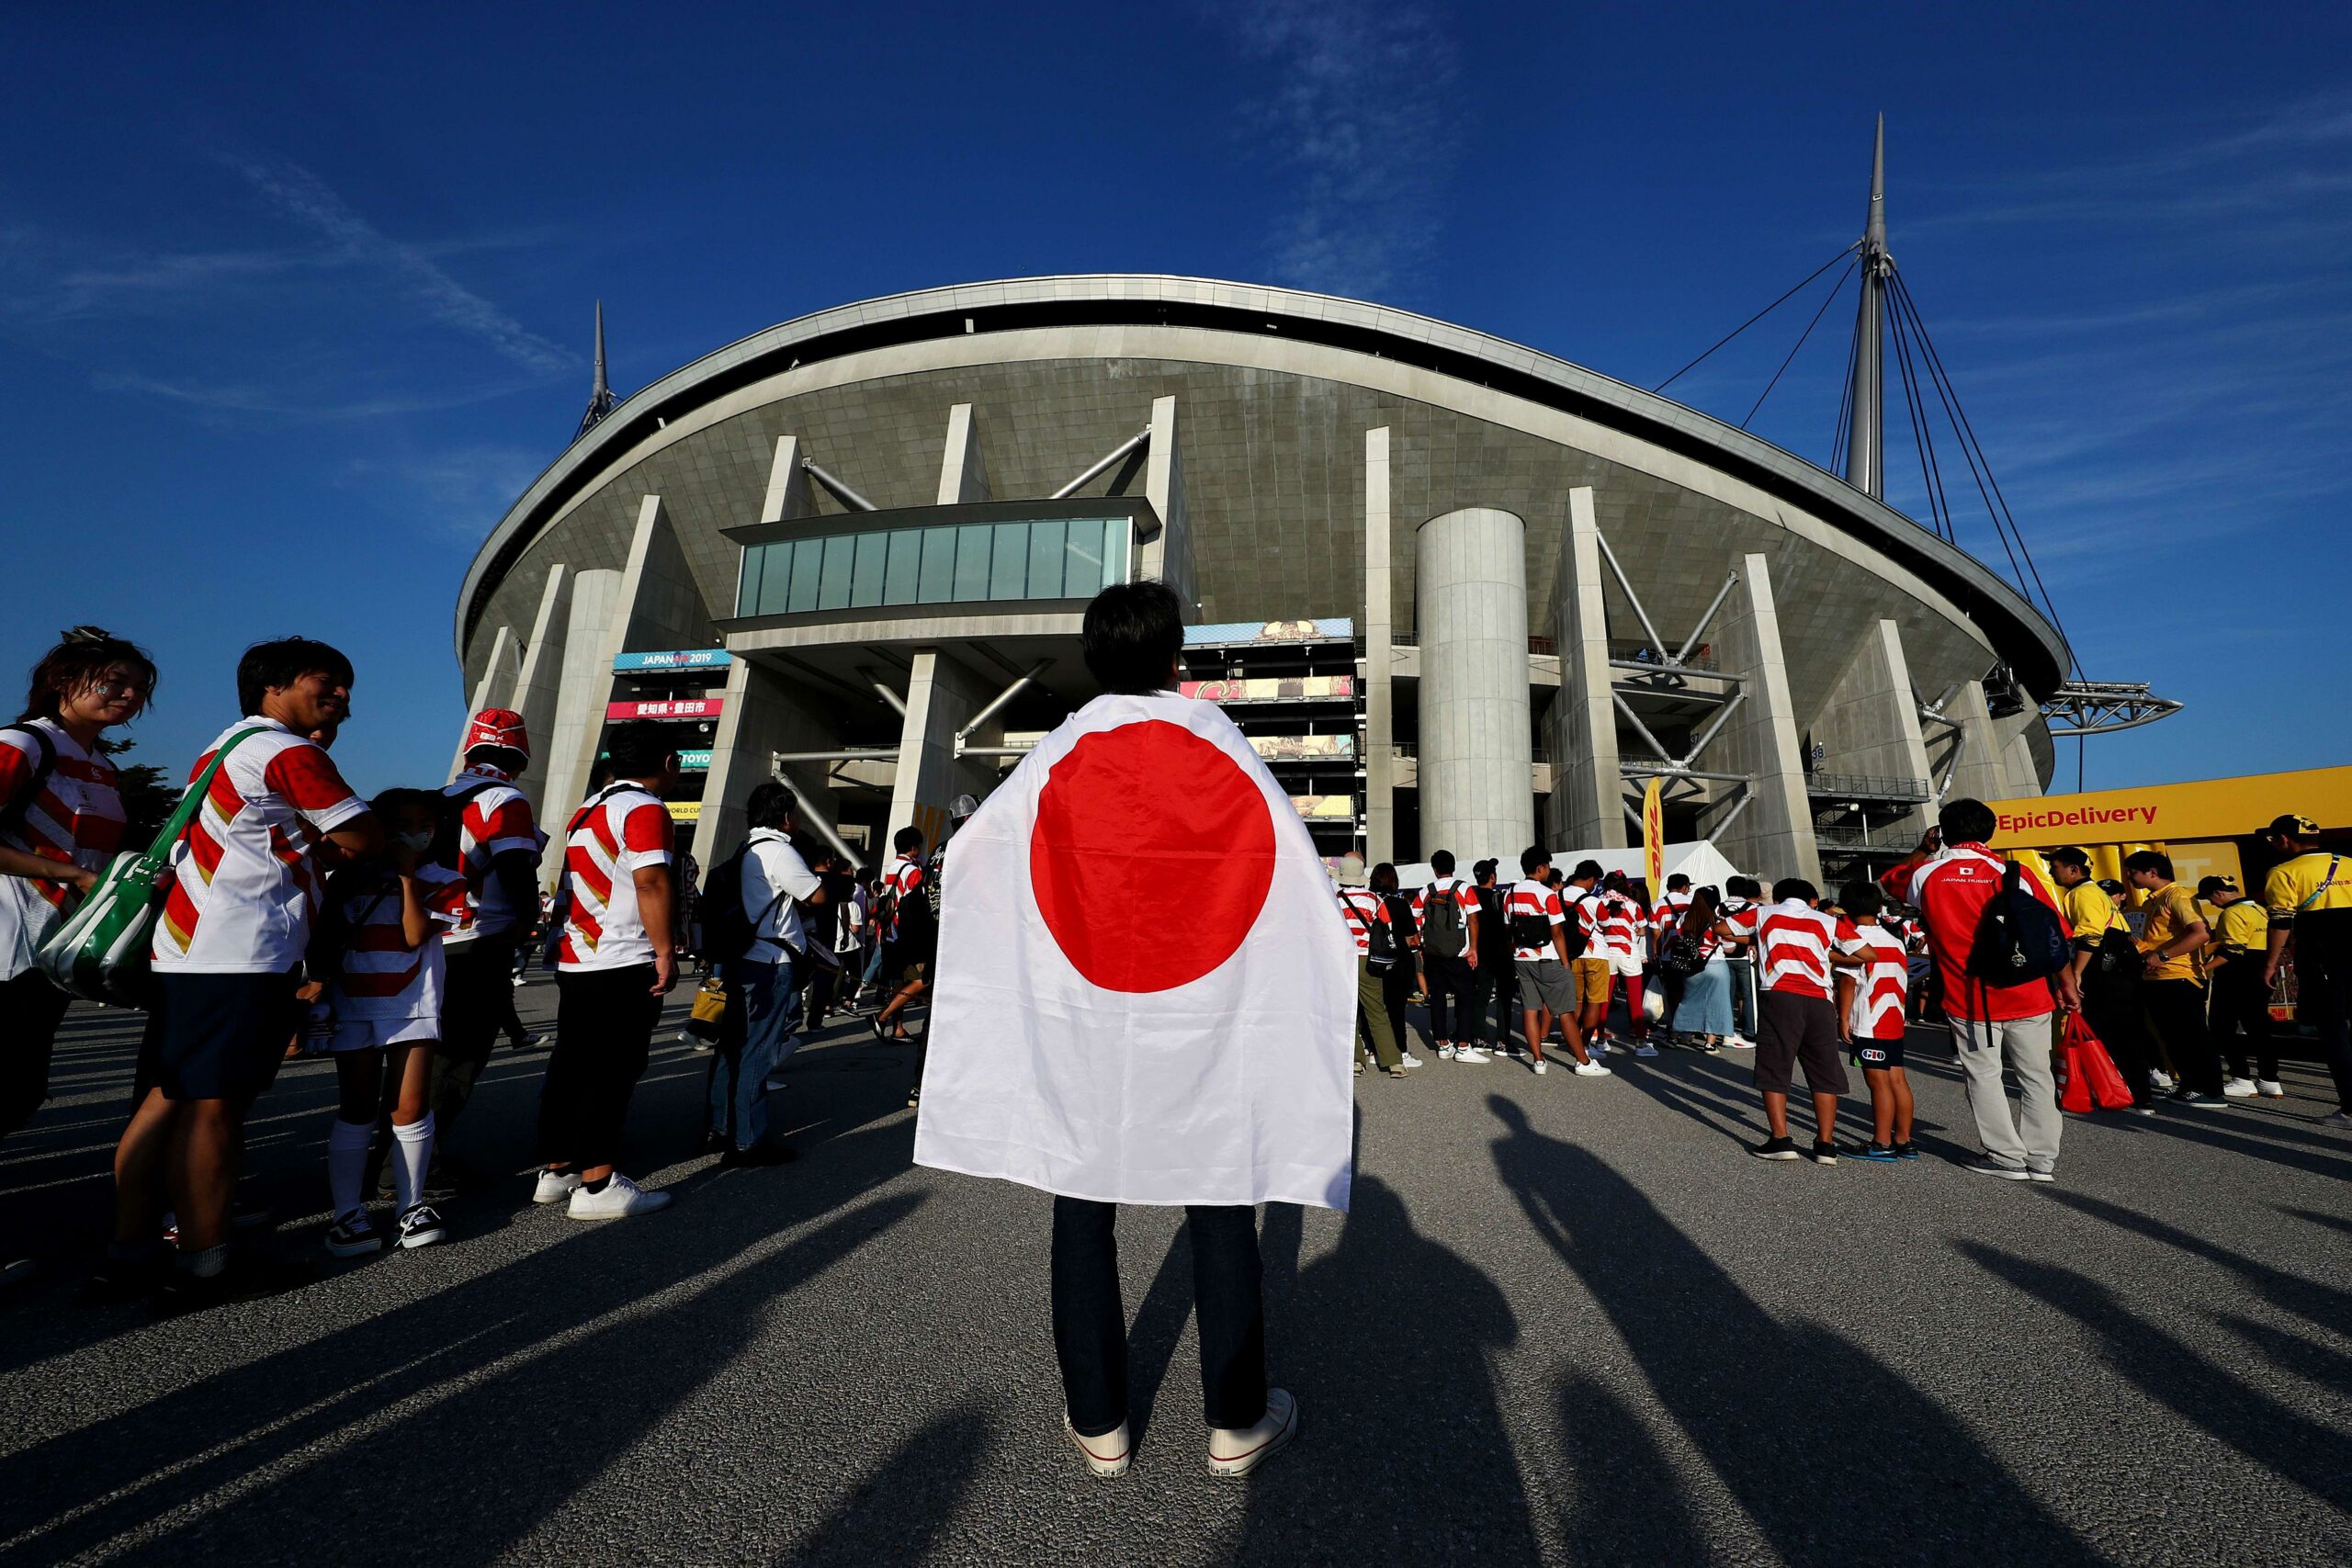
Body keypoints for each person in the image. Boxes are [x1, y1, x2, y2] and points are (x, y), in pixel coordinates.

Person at [913, 581, 1341, 1479]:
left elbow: (979, 859)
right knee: (1221, 1195)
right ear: (1174, 655)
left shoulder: (1058, 753)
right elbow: (1295, 881)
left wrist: (1018, 975)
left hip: (1086, 1015)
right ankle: (1233, 1420)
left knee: (1082, 1200)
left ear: (1091, 656)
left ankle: (1100, 1421)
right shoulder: (1221, 744)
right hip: (1203, 1014)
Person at [83, 637, 382, 1311]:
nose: (341, 697)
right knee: (214, 1108)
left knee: (168, 1098)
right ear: (273, 686)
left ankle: (129, 1253)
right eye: (327, 682)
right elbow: (364, 833)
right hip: (242, 951)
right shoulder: (287, 751)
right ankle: (206, 1262)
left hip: (189, 948)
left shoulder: (222, 747)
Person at [1, 628, 153, 1140]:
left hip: (58, 947)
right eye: (114, 682)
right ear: (63, 680)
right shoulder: (22, 743)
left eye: (138, 687)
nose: (129, 696)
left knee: (20, 1088)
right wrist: (72, 874)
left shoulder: (103, 768)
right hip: (8, 943)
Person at [534, 720, 680, 1219]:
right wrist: (665, 949)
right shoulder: (643, 807)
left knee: (571, 1063)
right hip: (622, 956)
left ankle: (559, 1170)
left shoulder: (588, 808)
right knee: (612, 1069)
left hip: (578, 956)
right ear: (668, 762)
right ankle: (598, 1187)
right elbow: (652, 882)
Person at [1893, 800, 2076, 1182]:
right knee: (2037, 1076)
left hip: (1969, 995)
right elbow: (2054, 932)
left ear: (1942, 832)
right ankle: (2041, 1160)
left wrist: (1926, 848)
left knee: (1984, 1075)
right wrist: (2067, 982)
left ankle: (2006, 1156)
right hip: (2027, 990)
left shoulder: (1926, 873)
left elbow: (1893, 880)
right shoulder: (2017, 872)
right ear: (1991, 832)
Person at [319, 789, 465, 1255]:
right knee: (357, 1106)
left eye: (426, 823)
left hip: (413, 1003)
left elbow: (414, 934)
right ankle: (347, 1214)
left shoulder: (445, 879)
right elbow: (324, 936)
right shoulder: (345, 879)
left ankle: (411, 1206)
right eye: (403, 822)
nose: (417, 831)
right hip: (354, 1002)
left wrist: (406, 877)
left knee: (411, 1105)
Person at [430, 709, 546, 1151]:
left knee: (426, 1053)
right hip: (478, 941)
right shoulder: (506, 800)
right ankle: (412, 1167)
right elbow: (516, 866)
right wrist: (526, 922)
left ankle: (393, 1155)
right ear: (520, 759)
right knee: (457, 1060)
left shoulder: (441, 796)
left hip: (432, 938)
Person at [707, 781, 822, 1165]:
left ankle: (721, 1127)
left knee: (731, 1048)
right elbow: (815, 895)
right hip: (770, 963)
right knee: (757, 1051)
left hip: (743, 957)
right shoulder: (779, 851)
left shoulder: (746, 849)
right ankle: (748, 1141)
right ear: (787, 817)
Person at [1718, 877, 1857, 1163]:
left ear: (1777, 898)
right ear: (1811, 900)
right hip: (1820, 999)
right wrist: (1822, 951)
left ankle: (1780, 1139)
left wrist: (1761, 938)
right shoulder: (1826, 921)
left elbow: (1721, 929)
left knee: (1775, 1066)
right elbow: (1866, 953)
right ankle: (1826, 1144)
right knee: (1824, 1072)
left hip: (1780, 995)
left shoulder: (1763, 913)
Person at [2046, 846, 2158, 1114]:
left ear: (2074, 870)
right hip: (2120, 965)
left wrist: (2076, 974)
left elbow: (2090, 936)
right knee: (2123, 1031)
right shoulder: (2096, 893)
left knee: (2108, 1032)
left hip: (2105, 967)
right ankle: (2131, 1093)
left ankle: (2123, 1093)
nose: (2051, 871)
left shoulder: (2081, 893)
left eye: (2056, 866)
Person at [2258, 814, 2351, 1128]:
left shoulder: (2284, 872)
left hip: (2324, 957)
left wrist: (2271, 964)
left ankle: (2350, 1109)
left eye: (2273, 839)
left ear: (2285, 839)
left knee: (2336, 1031)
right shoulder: (2348, 862)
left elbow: (2281, 921)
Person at [2124, 850, 2223, 1105]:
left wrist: (2164, 956)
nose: (2130, 878)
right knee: (2172, 1038)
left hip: (2181, 977)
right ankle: (2189, 1085)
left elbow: (2200, 934)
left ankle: (2213, 1091)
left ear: (2152, 873)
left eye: (2133, 872)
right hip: (2156, 979)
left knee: (2194, 1036)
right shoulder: (2150, 901)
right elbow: (2158, 939)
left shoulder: (2177, 895)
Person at [1834, 880, 1917, 1161]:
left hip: (1869, 1019)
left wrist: (1842, 1018)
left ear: (1846, 906)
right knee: (1898, 1080)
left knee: (1878, 1083)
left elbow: (1847, 981)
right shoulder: (1894, 938)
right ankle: (1904, 1140)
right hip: (1894, 1016)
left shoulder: (1853, 937)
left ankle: (1881, 1143)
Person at [1509, 847, 1609, 1078]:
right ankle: (1582, 1062)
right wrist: (1565, 962)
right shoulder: (1547, 895)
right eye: (1548, 866)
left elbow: (1508, 930)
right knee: (1565, 1011)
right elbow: (1557, 932)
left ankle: (1538, 1060)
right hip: (1548, 958)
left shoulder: (1510, 894)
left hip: (1522, 958)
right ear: (1540, 868)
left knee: (1530, 1009)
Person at [2199, 875, 2279, 1099]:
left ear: (2218, 893)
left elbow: (2233, 950)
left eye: (2209, 898)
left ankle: (2241, 1078)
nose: (2212, 904)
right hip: (2261, 968)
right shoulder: (2260, 910)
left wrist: (2202, 968)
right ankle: (2270, 1080)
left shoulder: (2231, 913)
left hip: (2236, 974)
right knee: (2259, 1028)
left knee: (2221, 1026)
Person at [1412, 850, 1486, 1063]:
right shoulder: (1463, 888)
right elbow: (1473, 920)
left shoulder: (1426, 891)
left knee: (1437, 998)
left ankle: (1442, 1044)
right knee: (1464, 998)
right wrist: (1474, 948)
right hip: (1459, 953)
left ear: (1434, 869)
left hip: (1433, 953)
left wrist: (1421, 945)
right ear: (1453, 866)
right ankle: (1463, 1045)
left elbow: (1415, 919)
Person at [1337, 868, 1408, 1077]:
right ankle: (1394, 1062)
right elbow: (1387, 925)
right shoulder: (1374, 898)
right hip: (1368, 960)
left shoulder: (1334, 899)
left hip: (1342, 959)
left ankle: (1356, 1061)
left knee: (1348, 1013)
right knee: (1376, 1010)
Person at [869, 826, 933, 1048]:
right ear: (914, 848)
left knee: (899, 982)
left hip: (889, 934)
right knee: (921, 980)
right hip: (907, 935)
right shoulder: (913, 871)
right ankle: (881, 1016)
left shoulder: (892, 868)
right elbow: (919, 904)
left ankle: (898, 1028)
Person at [1369, 863, 1423, 1068]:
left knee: (1374, 1008)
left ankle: (1374, 1048)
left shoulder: (1370, 902)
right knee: (1397, 1009)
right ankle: (1399, 1049)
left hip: (1373, 959)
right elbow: (1410, 936)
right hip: (1399, 960)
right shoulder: (1400, 904)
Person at [1666, 886, 1734, 1052]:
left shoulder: (1685, 918)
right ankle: (1710, 1043)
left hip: (1693, 965)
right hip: (1716, 965)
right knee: (1718, 1004)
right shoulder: (1720, 920)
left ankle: (1675, 1037)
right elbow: (1730, 947)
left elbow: (1681, 937)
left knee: (1688, 1002)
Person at [1597, 870, 1656, 1057]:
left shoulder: (1598, 901)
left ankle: (1599, 1040)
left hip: (1606, 953)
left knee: (1603, 999)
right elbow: (1641, 929)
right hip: (1628, 953)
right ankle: (1640, 1042)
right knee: (1634, 999)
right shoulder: (1632, 905)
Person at [1470, 859, 1518, 1058]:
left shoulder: (1470, 896)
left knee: (1481, 995)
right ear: (1492, 877)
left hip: (1480, 951)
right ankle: (1502, 1040)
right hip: (1502, 951)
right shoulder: (1500, 897)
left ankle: (1479, 1037)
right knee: (1504, 997)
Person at [1715, 874, 1761, 1048]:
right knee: (1749, 995)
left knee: (1727, 995)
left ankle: (1726, 1031)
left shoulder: (1718, 907)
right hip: (1746, 958)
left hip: (1722, 957)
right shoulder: (1752, 907)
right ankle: (1750, 1031)